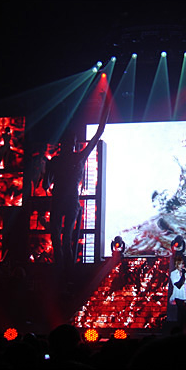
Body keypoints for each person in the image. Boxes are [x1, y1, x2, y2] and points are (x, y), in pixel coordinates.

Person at [47, 105, 109, 273]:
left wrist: (105, 112)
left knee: (62, 237)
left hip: (66, 200)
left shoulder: (69, 158)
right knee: (61, 237)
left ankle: (65, 271)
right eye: (70, 142)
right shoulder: (66, 159)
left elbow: (97, 135)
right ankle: (64, 270)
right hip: (64, 200)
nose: (71, 145)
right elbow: (47, 181)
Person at [169, 256, 186, 332]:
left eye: (183, 264)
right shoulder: (173, 274)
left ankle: (181, 330)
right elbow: (178, 285)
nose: (182, 265)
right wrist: (183, 275)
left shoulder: (184, 273)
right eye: (180, 264)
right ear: (177, 265)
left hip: (185, 295)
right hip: (178, 295)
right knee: (183, 312)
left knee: (182, 314)